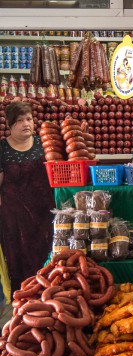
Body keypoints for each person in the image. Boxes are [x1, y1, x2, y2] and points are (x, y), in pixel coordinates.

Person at [0, 101, 55, 293]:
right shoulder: (2, 149)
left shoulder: (43, 144)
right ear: (9, 124)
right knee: (17, 258)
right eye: (20, 120)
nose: (26, 124)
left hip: (44, 213)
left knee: (47, 256)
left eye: (29, 119)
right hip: (15, 218)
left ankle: (47, 294)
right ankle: (22, 298)